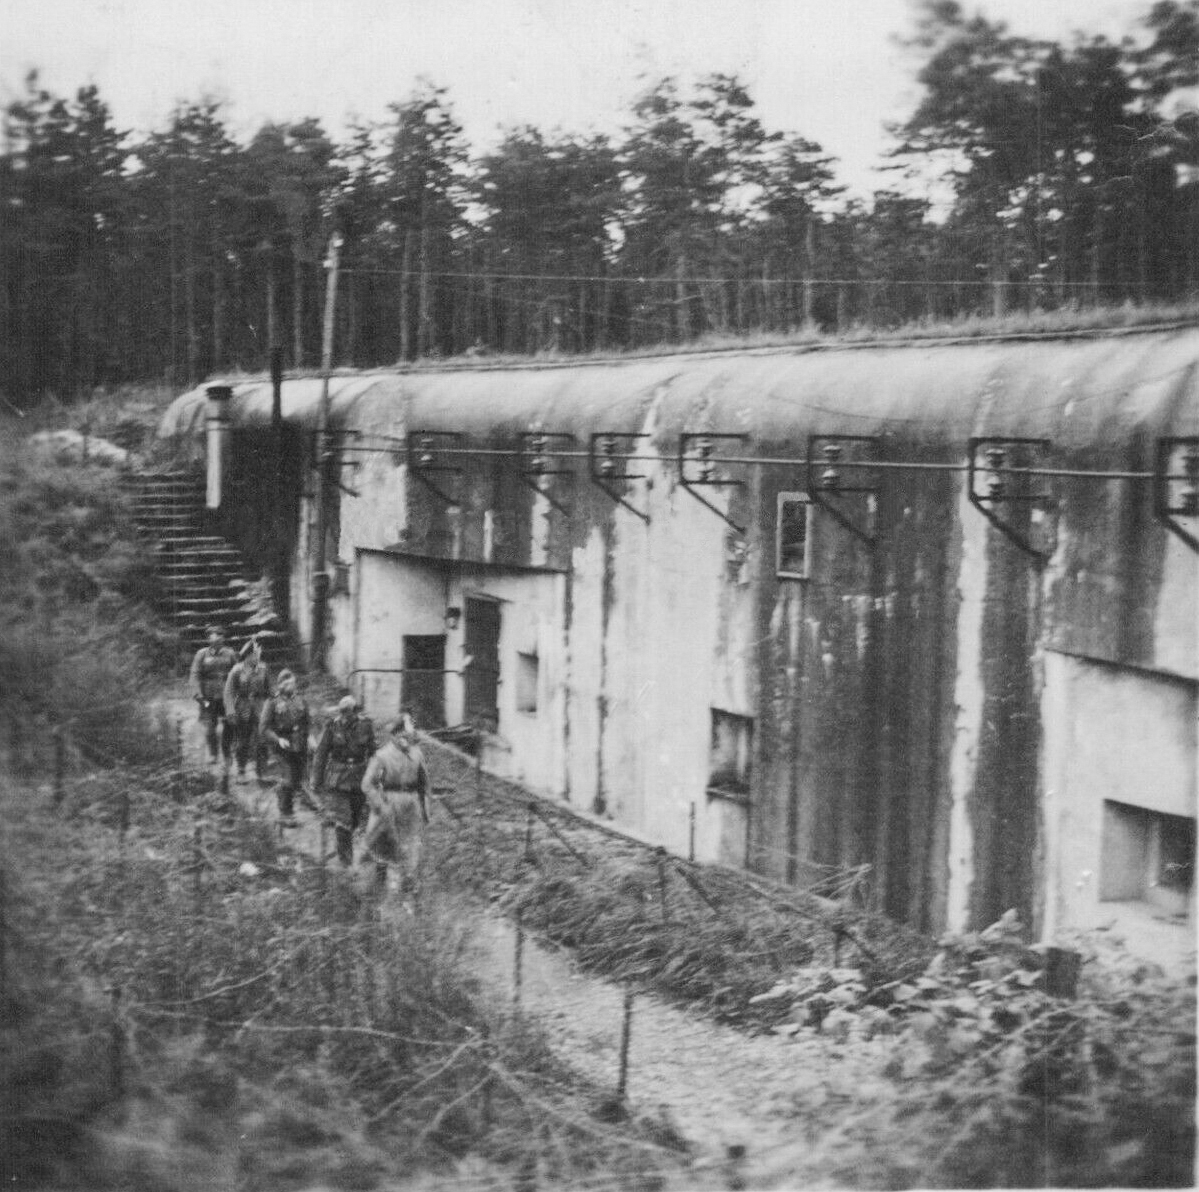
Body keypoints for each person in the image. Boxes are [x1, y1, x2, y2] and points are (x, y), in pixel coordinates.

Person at [361, 709, 430, 893]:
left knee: (410, 847)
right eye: (406, 732)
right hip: (388, 804)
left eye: (411, 732)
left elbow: (424, 784)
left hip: (411, 805)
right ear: (396, 733)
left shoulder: (417, 754)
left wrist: (424, 810)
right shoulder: (382, 755)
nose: (409, 736)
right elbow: (367, 784)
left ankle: (407, 891)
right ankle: (376, 889)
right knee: (382, 846)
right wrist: (380, 806)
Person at [312, 695, 377, 866]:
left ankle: (344, 848)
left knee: (355, 819)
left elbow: (373, 753)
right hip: (337, 779)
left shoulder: (366, 726)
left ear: (355, 712)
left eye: (348, 713)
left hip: (358, 778)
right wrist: (316, 782)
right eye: (342, 713)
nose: (344, 717)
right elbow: (320, 754)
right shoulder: (332, 726)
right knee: (343, 821)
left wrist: (375, 777)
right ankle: (346, 864)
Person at [258, 669, 310, 826]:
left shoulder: (301, 700)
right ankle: (285, 814)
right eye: (287, 684)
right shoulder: (272, 702)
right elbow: (264, 728)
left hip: (299, 745)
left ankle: (281, 793)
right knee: (287, 779)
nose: (291, 686)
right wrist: (277, 739)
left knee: (296, 780)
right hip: (281, 748)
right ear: (280, 685)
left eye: (292, 683)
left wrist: (311, 738)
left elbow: (307, 722)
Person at [223, 636, 271, 783]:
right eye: (256, 654)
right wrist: (230, 711)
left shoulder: (263, 668)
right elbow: (228, 692)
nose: (259, 656)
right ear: (249, 655)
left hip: (260, 708)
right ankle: (241, 771)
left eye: (259, 654)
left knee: (262, 740)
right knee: (242, 741)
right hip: (242, 708)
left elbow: (269, 690)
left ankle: (261, 772)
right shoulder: (237, 670)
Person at [188, 625, 238, 768]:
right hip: (208, 697)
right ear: (208, 639)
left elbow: (238, 674)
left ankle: (227, 754)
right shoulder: (201, 654)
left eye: (219, 635)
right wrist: (198, 695)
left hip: (227, 697)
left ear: (223, 638)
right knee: (210, 725)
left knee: (229, 725)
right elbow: (194, 676)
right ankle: (213, 754)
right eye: (212, 636)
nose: (215, 638)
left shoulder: (230, 654)